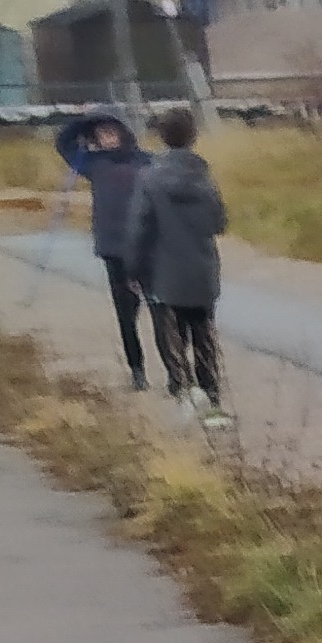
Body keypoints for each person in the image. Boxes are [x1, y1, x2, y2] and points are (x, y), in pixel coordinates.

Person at [130, 105, 227, 426]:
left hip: (164, 270)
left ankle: (184, 394)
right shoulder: (204, 177)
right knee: (204, 336)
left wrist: (133, 268)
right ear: (193, 136)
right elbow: (218, 222)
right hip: (201, 267)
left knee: (171, 336)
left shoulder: (149, 178)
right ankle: (212, 399)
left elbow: (140, 227)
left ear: (161, 136)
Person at [53, 104, 151, 388]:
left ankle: (175, 371)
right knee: (126, 314)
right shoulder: (92, 163)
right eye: (100, 133)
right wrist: (83, 120)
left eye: (111, 131)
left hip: (146, 246)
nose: (106, 137)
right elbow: (63, 142)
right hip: (113, 248)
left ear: (123, 131)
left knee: (162, 312)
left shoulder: (146, 162)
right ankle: (137, 370)